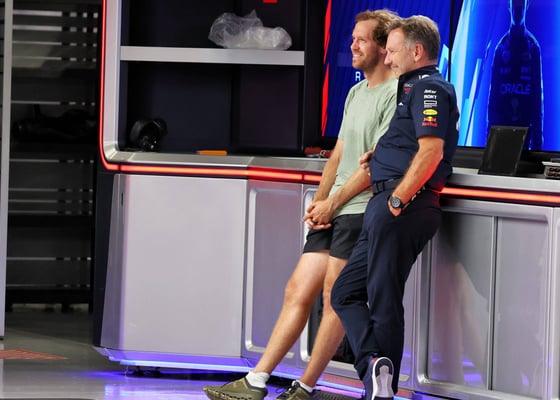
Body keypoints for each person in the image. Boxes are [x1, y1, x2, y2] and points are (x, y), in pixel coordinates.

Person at [203, 9, 399, 400]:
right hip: (335, 210)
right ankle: (256, 381)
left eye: (361, 40)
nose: (352, 45)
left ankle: (305, 387)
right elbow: (339, 154)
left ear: (382, 47)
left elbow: (374, 166)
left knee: (334, 299)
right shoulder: (356, 93)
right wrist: (321, 202)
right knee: (297, 289)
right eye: (353, 38)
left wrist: (334, 203)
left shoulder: (395, 95)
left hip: (359, 212)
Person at [331, 15, 459, 400]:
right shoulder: (411, 90)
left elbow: (431, 150)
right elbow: (411, 144)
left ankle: (380, 391)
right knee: (344, 292)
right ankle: (375, 366)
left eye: (392, 51)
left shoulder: (429, 87)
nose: (387, 59)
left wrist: (398, 199)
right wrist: (381, 156)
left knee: (383, 298)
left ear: (416, 52)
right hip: (386, 205)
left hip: (402, 206)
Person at [487, 0, 543, 150]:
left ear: (527, 5)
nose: (518, 9)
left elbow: (537, 96)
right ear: (509, 6)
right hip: (502, 129)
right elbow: (493, 96)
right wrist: (490, 136)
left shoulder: (533, 47)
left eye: (521, 4)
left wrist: (537, 142)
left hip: (525, 130)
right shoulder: (501, 48)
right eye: (515, 4)